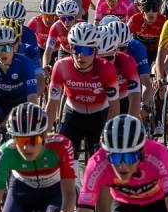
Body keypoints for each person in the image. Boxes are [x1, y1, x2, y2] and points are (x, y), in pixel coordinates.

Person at [46, 23, 120, 159]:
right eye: (77, 49)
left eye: (87, 51)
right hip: (73, 115)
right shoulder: (61, 66)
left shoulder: (106, 69)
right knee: (63, 157)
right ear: (70, 49)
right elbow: (52, 104)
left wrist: (108, 133)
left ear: (95, 51)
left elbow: (115, 106)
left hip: (99, 116)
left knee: (101, 160)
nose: (81, 56)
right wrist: (43, 134)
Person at [0, 24, 39, 162]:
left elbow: (32, 96)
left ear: (14, 47)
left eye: (6, 47)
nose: (2, 53)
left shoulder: (25, 63)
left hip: (21, 100)